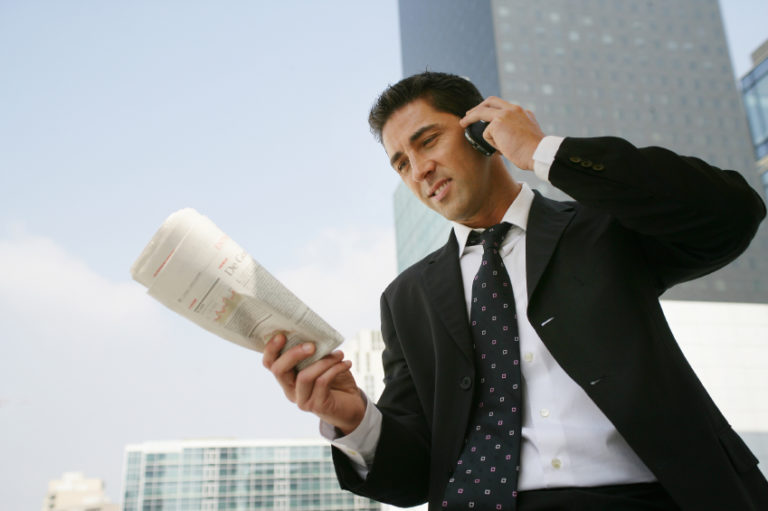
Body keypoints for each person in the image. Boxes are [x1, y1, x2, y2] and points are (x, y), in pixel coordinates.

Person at [262, 71, 768, 510]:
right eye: (400, 163)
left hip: (648, 496)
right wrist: (352, 420)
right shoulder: (406, 298)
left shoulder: (601, 227)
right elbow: (414, 474)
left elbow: (731, 215)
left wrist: (542, 151)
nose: (418, 171)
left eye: (428, 141)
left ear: (481, 131)